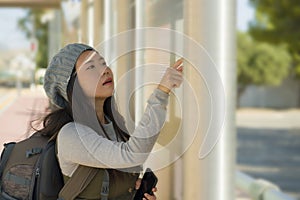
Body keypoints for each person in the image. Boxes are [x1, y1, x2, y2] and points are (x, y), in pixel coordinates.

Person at [40, 43, 183, 200]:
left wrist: (130, 190)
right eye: (91, 67)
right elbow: (133, 155)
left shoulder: (114, 125)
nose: (104, 70)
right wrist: (161, 93)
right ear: (71, 86)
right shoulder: (72, 134)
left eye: (103, 63)